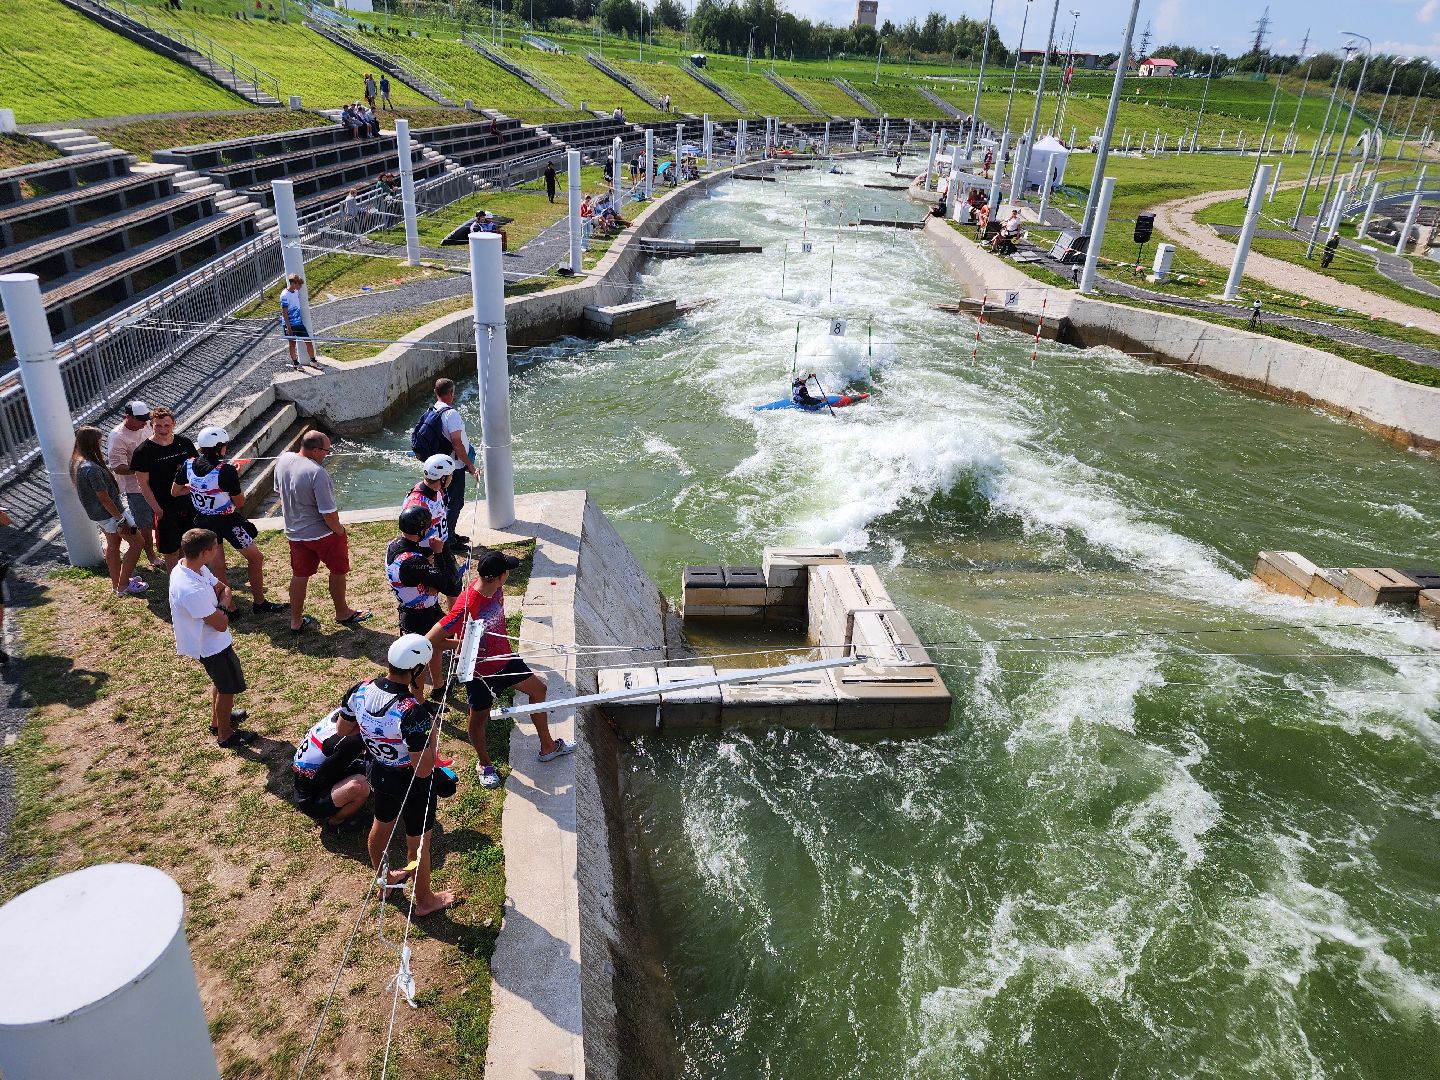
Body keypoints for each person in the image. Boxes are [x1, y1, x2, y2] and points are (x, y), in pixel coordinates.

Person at [429, 549, 573, 789]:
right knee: (478, 720)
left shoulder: (496, 589)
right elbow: (432, 640)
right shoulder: (466, 605)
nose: (508, 574)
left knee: (539, 690)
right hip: (480, 673)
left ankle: (547, 746)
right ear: (498, 576)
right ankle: (484, 764)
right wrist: (464, 644)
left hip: (506, 660)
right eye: (507, 571)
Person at [335, 634, 455, 916]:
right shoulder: (412, 713)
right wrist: (432, 729)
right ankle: (425, 900)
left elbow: (343, 729)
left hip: (379, 771)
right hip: (411, 784)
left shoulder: (360, 690)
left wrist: (374, 733)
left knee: (382, 825)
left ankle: (384, 881)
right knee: (418, 843)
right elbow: (423, 769)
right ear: (417, 670)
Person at [171, 425, 287, 614]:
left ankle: (229, 607)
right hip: (229, 522)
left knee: (218, 565)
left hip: (203, 521)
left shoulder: (188, 464)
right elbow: (240, 501)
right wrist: (234, 476)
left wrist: (198, 488)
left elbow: (175, 491)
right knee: (256, 558)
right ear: (220, 447)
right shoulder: (226, 470)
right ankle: (259, 602)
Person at [274, 431, 370, 634]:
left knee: (299, 575)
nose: (327, 454)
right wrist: (340, 531)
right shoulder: (317, 473)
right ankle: (342, 612)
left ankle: (296, 621)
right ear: (316, 450)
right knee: (338, 570)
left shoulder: (283, 460)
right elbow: (328, 514)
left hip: (295, 533)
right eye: (326, 451)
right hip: (322, 534)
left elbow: (280, 491)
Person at [169, 528, 255, 748]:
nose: (218, 549)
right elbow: (220, 623)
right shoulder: (190, 589)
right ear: (205, 552)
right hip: (210, 646)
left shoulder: (190, 568)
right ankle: (225, 734)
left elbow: (223, 588)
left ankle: (218, 721)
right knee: (227, 688)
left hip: (214, 643)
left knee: (220, 682)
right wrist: (224, 605)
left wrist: (221, 604)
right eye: (215, 546)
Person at [70, 426, 147, 597]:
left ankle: (117, 584)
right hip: (115, 516)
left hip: (102, 517)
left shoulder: (78, 463)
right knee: (137, 543)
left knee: (113, 545)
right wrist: (121, 520)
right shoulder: (93, 469)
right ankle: (124, 584)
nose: (101, 444)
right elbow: (105, 498)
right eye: (99, 441)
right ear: (92, 443)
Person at [387, 505, 456, 692]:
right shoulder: (413, 561)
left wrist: (429, 580)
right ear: (422, 529)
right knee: (418, 662)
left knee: (435, 649)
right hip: (419, 615)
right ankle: (419, 700)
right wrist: (439, 552)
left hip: (421, 609)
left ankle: (439, 685)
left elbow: (420, 573)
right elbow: (446, 582)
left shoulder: (393, 546)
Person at [130, 407, 196, 573]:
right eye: (158, 426)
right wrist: (157, 509)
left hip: (188, 502)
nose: (163, 430)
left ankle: (190, 576)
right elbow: (143, 484)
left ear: (173, 423)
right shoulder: (143, 451)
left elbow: (196, 470)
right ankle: (175, 583)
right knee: (170, 549)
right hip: (164, 506)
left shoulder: (185, 443)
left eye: (167, 425)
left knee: (190, 544)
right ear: (151, 425)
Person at [292, 707, 371, 833]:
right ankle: (336, 822)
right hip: (311, 799)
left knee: (367, 765)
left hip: (305, 778)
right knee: (360, 785)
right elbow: (321, 778)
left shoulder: (345, 713)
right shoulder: (352, 743)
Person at [107, 399, 159, 570]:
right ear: (127, 416)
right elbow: (118, 467)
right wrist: (142, 469)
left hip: (156, 481)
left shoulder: (145, 425)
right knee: (144, 523)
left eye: (146, 419)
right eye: (140, 420)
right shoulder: (118, 436)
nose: (144, 423)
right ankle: (151, 555)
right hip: (135, 488)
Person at [403, 454, 457, 561]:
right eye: (450, 475)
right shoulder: (418, 502)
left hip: (441, 545)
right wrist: (423, 558)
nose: (452, 478)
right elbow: (409, 534)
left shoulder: (438, 491)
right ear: (443, 478)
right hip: (427, 552)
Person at [280, 273, 315, 369]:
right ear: (293, 283)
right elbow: (284, 313)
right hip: (289, 324)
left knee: (308, 341)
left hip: (298, 322)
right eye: (299, 284)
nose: (300, 287)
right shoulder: (284, 295)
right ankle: (296, 363)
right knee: (292, 344)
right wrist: (288, 327)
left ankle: (313, 360)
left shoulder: (295, 292)